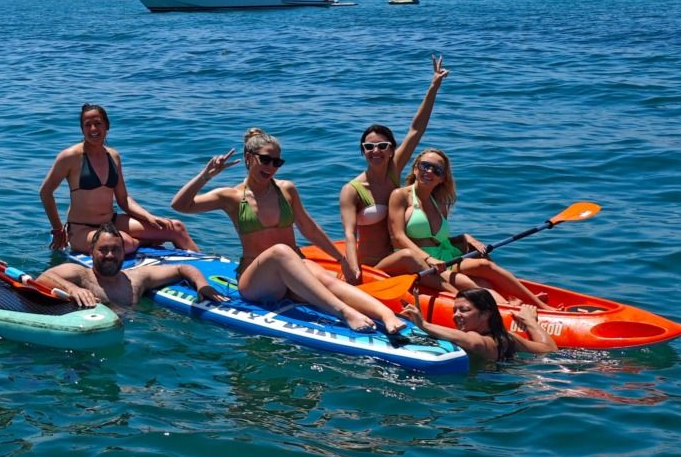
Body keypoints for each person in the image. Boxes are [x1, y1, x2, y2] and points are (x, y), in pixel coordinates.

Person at [170, 128, 411, 338]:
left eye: (277, 162)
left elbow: (309, 228)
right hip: (257, 281)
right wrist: (206, 176)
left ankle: (385, 314)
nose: (271, 167)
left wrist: (342, 260)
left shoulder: (286, 189)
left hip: (293, 268)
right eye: (265, 160)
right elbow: (181, 206)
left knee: (326, 278)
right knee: (280, 252)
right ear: (248, 158)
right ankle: (344, 312)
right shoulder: (231, 197)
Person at [376, 148, 537, 303]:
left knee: (485, 265)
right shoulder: (401, 196)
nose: (429, 171)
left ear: (442, 178)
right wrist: (428, 258)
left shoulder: (440, 203)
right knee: (470, 283)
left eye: (437, 170)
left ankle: (538, 304)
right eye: (425, 165)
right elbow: (398, 236)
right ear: (416, 168)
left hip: (443, 256)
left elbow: (439, 240)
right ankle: (507, 310)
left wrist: (464, 237)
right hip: (417, 259)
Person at [338, 55, 449, 278]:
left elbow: (416, 130)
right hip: (375, 268)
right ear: (363, 151)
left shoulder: (393, 170)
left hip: (403, 257)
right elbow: (350, 235)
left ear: (391, 150)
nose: (375, 151)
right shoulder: (352, 190)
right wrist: (353, 270)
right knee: (410, 257)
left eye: (382, 146)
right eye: (369, 146)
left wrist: (433, 87)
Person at [39, 103, 195, 255]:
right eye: (88, 125)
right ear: (82, 129)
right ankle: (143, 241)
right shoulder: (70, 157)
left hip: (112, 222)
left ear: (107, 126)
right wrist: (58, 229)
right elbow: (46, 192)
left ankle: (209, 266)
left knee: (175, 228)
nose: (93, 129)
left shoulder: (113, 156)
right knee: (122, 242)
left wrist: (149, 217)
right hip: (81, 229)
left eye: (98, 123)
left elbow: (123, 199)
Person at [37, 222, 225, 310]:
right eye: (103, 250)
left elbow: (182, 268)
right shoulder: (80, 274)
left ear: (123, 252)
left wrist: (202, 285)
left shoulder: (137, 278)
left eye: (115, 250)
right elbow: (43, 278)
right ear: (91, 250)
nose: (110, 255)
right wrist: (73, 289)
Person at [402, 288, 557, 365]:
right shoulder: (506, 337)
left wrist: (424, 324)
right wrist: (531, 322)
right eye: (454, 310)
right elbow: (549, 349)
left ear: (485, 314)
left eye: (464, 310)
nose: (456, 315)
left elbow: (471, 341)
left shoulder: (480, 340)